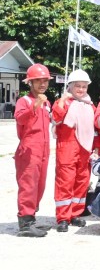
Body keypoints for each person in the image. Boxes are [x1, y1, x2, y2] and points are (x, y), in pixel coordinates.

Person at [51, 69, 95, 233]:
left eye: (84, 86)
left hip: (85, 149)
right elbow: (56, 117)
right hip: (67, 147)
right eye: (78, 86)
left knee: (82, 181)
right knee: (65, 182)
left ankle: (75, 213)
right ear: (70, 86)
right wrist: (63, 100)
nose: (81, 90)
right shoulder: (62, 102)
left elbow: (94, 128)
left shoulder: (89, 104)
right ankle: (63, 218)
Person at [14, 63, 52, 237]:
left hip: (43, 148)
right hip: (29, 148)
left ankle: (32, 218)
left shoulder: (46, 102)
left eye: (45, 80)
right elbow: (20, 118)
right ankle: (25, 222)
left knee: (40, 184)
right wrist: (34, 105)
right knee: (28, 184)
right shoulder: (25, 101)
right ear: (30, 82)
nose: (42, 84)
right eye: (38, 81)